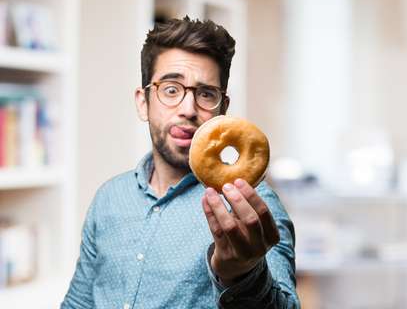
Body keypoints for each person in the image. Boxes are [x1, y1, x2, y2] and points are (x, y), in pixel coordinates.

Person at [61, 16, 299, 309]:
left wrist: (243, 275)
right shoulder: (109, 197)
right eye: (171, 89)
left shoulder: (251, 210)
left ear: (223, 110)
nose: (188, 109)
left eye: (206, 94)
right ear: (143, 102)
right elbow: (78, 302)